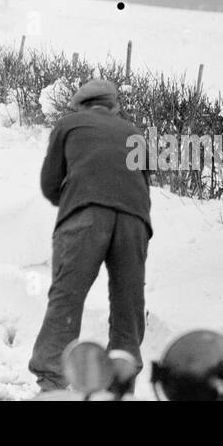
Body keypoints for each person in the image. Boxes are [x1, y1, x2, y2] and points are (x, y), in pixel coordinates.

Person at [28, 78, 152, 393]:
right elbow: (144, 183)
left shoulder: (69, 125)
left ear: (81, 105)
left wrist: (76, 199)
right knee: (128, 303)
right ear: (114, 106)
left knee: (67, 296)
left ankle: (52, 381)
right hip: (134, 220)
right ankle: (122, 382)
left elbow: (49, 182)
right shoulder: (134, 133)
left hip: (86, 216)